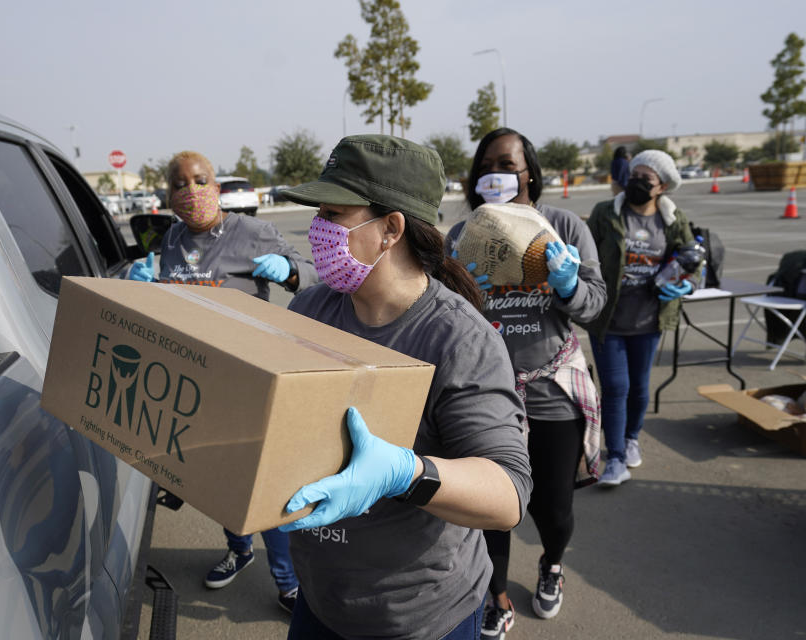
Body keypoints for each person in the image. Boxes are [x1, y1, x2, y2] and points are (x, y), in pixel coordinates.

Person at [277, 134, 532, 640]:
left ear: (391, 228)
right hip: (321, 601)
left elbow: (507, 494)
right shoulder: (309, 313)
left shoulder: (457, 338)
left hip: (418, 617)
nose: (317, 230)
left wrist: (405, 473)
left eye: (333, 214)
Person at [125, 150, 318, 613]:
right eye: (180, 184)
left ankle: (289, 581)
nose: (192, 191)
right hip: (195, 382)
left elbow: (313, 275)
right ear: (167, 196)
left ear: (217, 185)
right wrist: (138, 288)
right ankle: (238, 547)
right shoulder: (168, 241)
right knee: (219, 481)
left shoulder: (251, 233)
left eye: (201, 180)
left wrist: (288, 271)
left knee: (263, 484)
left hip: (249, 381)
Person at [444, 127, 605, 638]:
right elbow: (441, 316)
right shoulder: (460, 235)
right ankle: (496, 595)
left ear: (529, 170)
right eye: (487, 165)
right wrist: (463, 293)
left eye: (509, 164)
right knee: (490, 507)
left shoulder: (563, 226)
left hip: (552, 390)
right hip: (484, 394)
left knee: (553, 508)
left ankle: (552, 564)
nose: (498, 174)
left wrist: (568, 285)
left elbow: (597, 304)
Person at [584, 149, 697, 487]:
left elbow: (694, 259)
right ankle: (615, 457)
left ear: (661, 186)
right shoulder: (606, 213)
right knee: (616, 387)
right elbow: (585, 254)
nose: (635, 183)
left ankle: (632, 437)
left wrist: (687, 284)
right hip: (609, 318)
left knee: (639, 387)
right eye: (633, 176)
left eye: (645, 179)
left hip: (650, 318)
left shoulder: (673, 219)